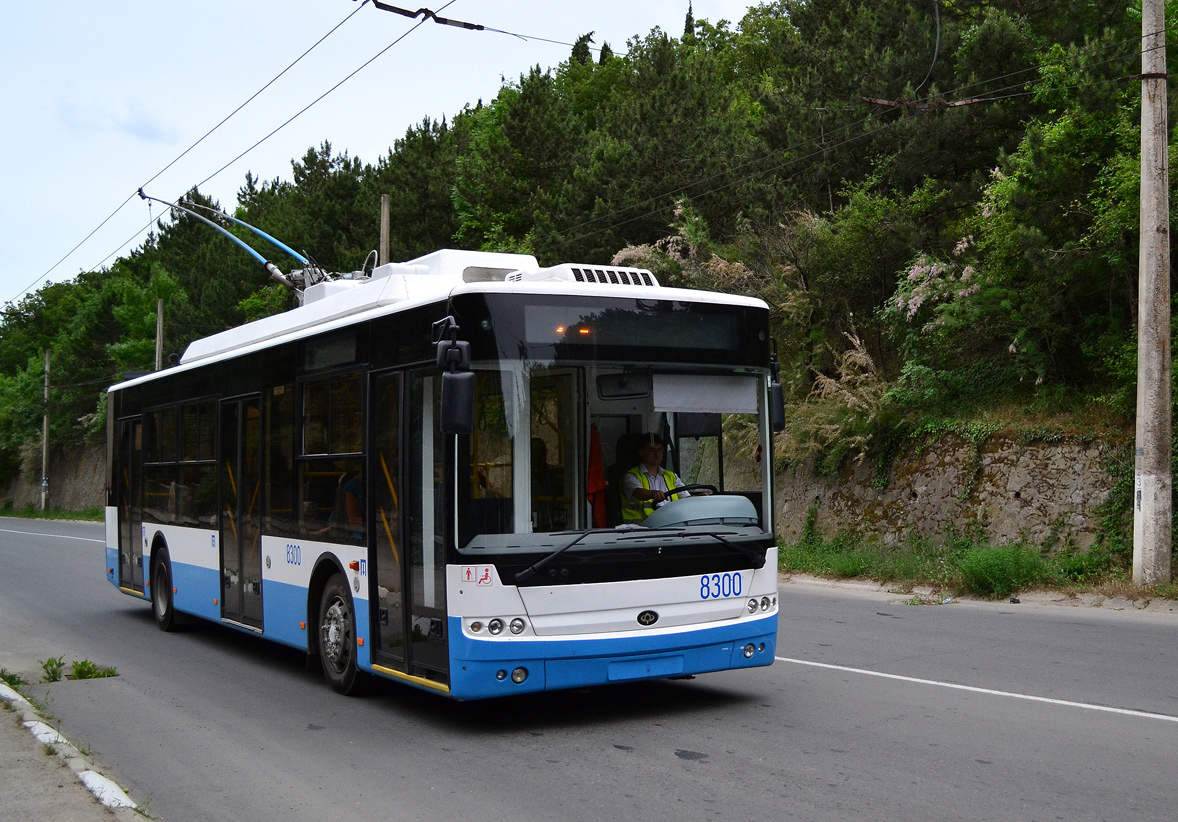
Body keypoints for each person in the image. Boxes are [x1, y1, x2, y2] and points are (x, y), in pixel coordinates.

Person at [620, 433, 689, 522]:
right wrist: (653, 494)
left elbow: (686, 497)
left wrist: (701, 498)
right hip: (640, 529)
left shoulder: (671, 476)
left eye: (660, 450)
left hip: (671, 524)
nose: (657, 454)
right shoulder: (630, 477)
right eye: (652, 450)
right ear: (641, 452)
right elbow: (638, 492)